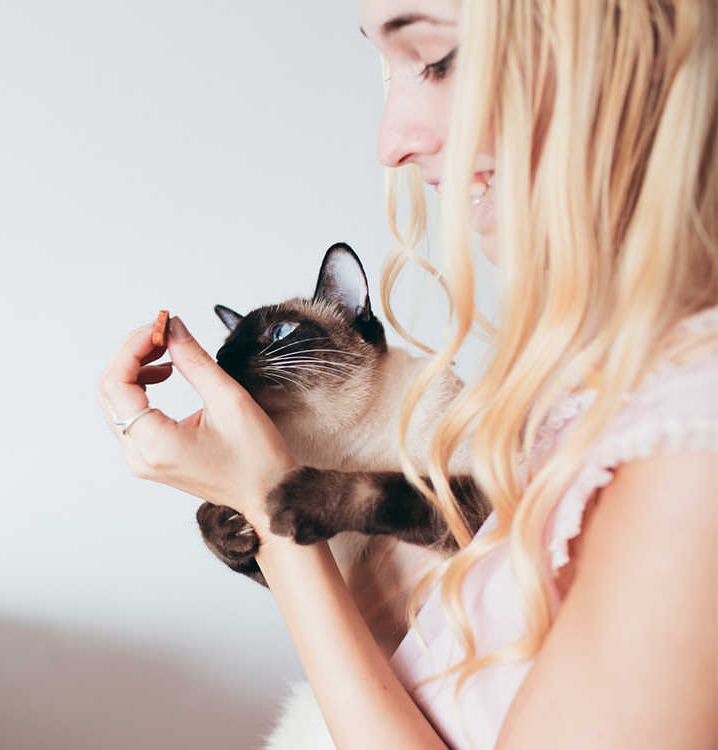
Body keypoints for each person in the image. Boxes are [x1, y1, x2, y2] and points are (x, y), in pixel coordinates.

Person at [95, 0, 717, 747]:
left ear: (624, 48)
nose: (390, 141)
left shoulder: (688, 444)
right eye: (386, 69)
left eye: (439, 57)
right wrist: (261, 511)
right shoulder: (597, 382)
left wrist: (267, 503)